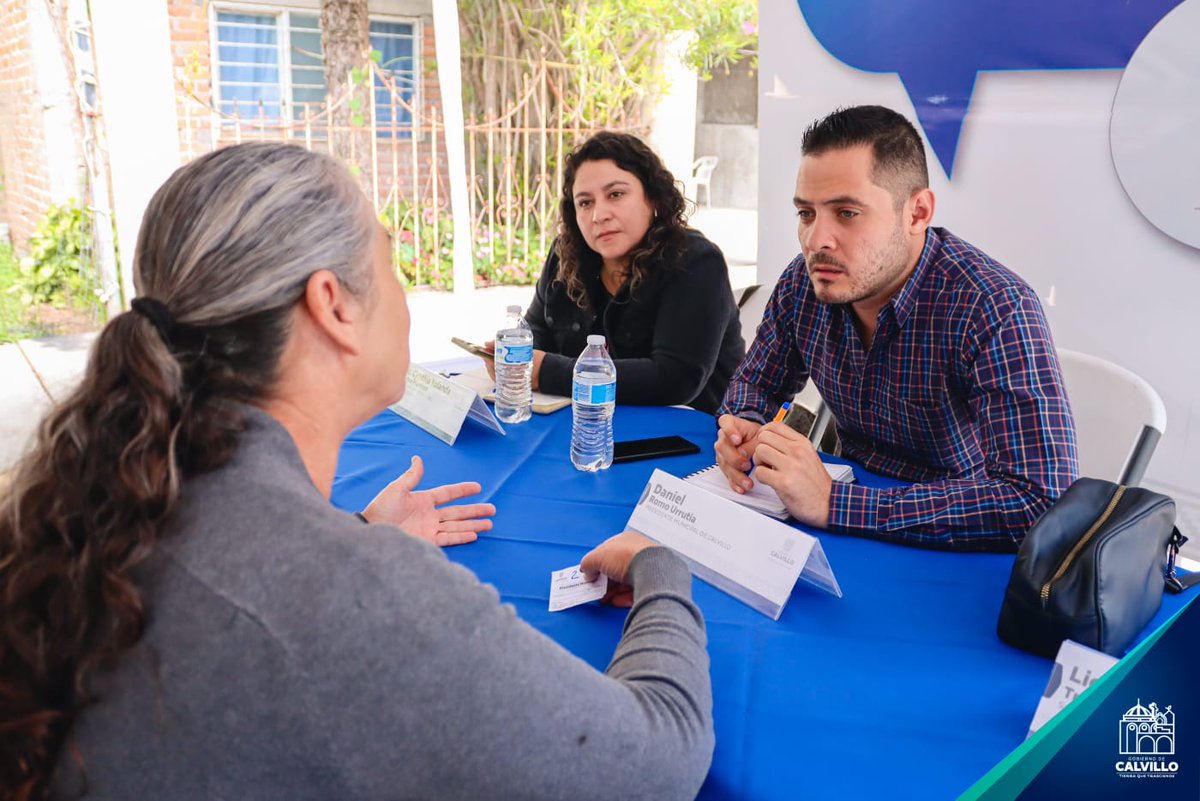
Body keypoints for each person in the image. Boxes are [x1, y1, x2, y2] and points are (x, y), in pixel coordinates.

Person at [0, 144, 713, 799]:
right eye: (392, 265)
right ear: (332, 305)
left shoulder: (101, 503)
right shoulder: (352, 595)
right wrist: (660, 566)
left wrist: (357, 530)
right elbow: (659, 762)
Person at [715, 105, 1078, 551]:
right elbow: (754, 384)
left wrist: (836, 503)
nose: (816, 240)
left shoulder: (992, 306)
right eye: (806, 214)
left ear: (917, 213)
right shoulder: (804, 281)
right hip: (839, 517)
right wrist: (744, 428)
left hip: (954, 539)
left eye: (846, 213)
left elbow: (1038, 501)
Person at [490, 131, 745, 415]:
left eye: (616, 195)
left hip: (692, 440)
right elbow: (538, 332)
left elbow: (675, 378)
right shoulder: (566, 255)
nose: (599, 214)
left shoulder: (696, 261)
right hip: (588, 424)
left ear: (654, 199)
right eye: (585, 202)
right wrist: (515, 360)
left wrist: (547, 371)